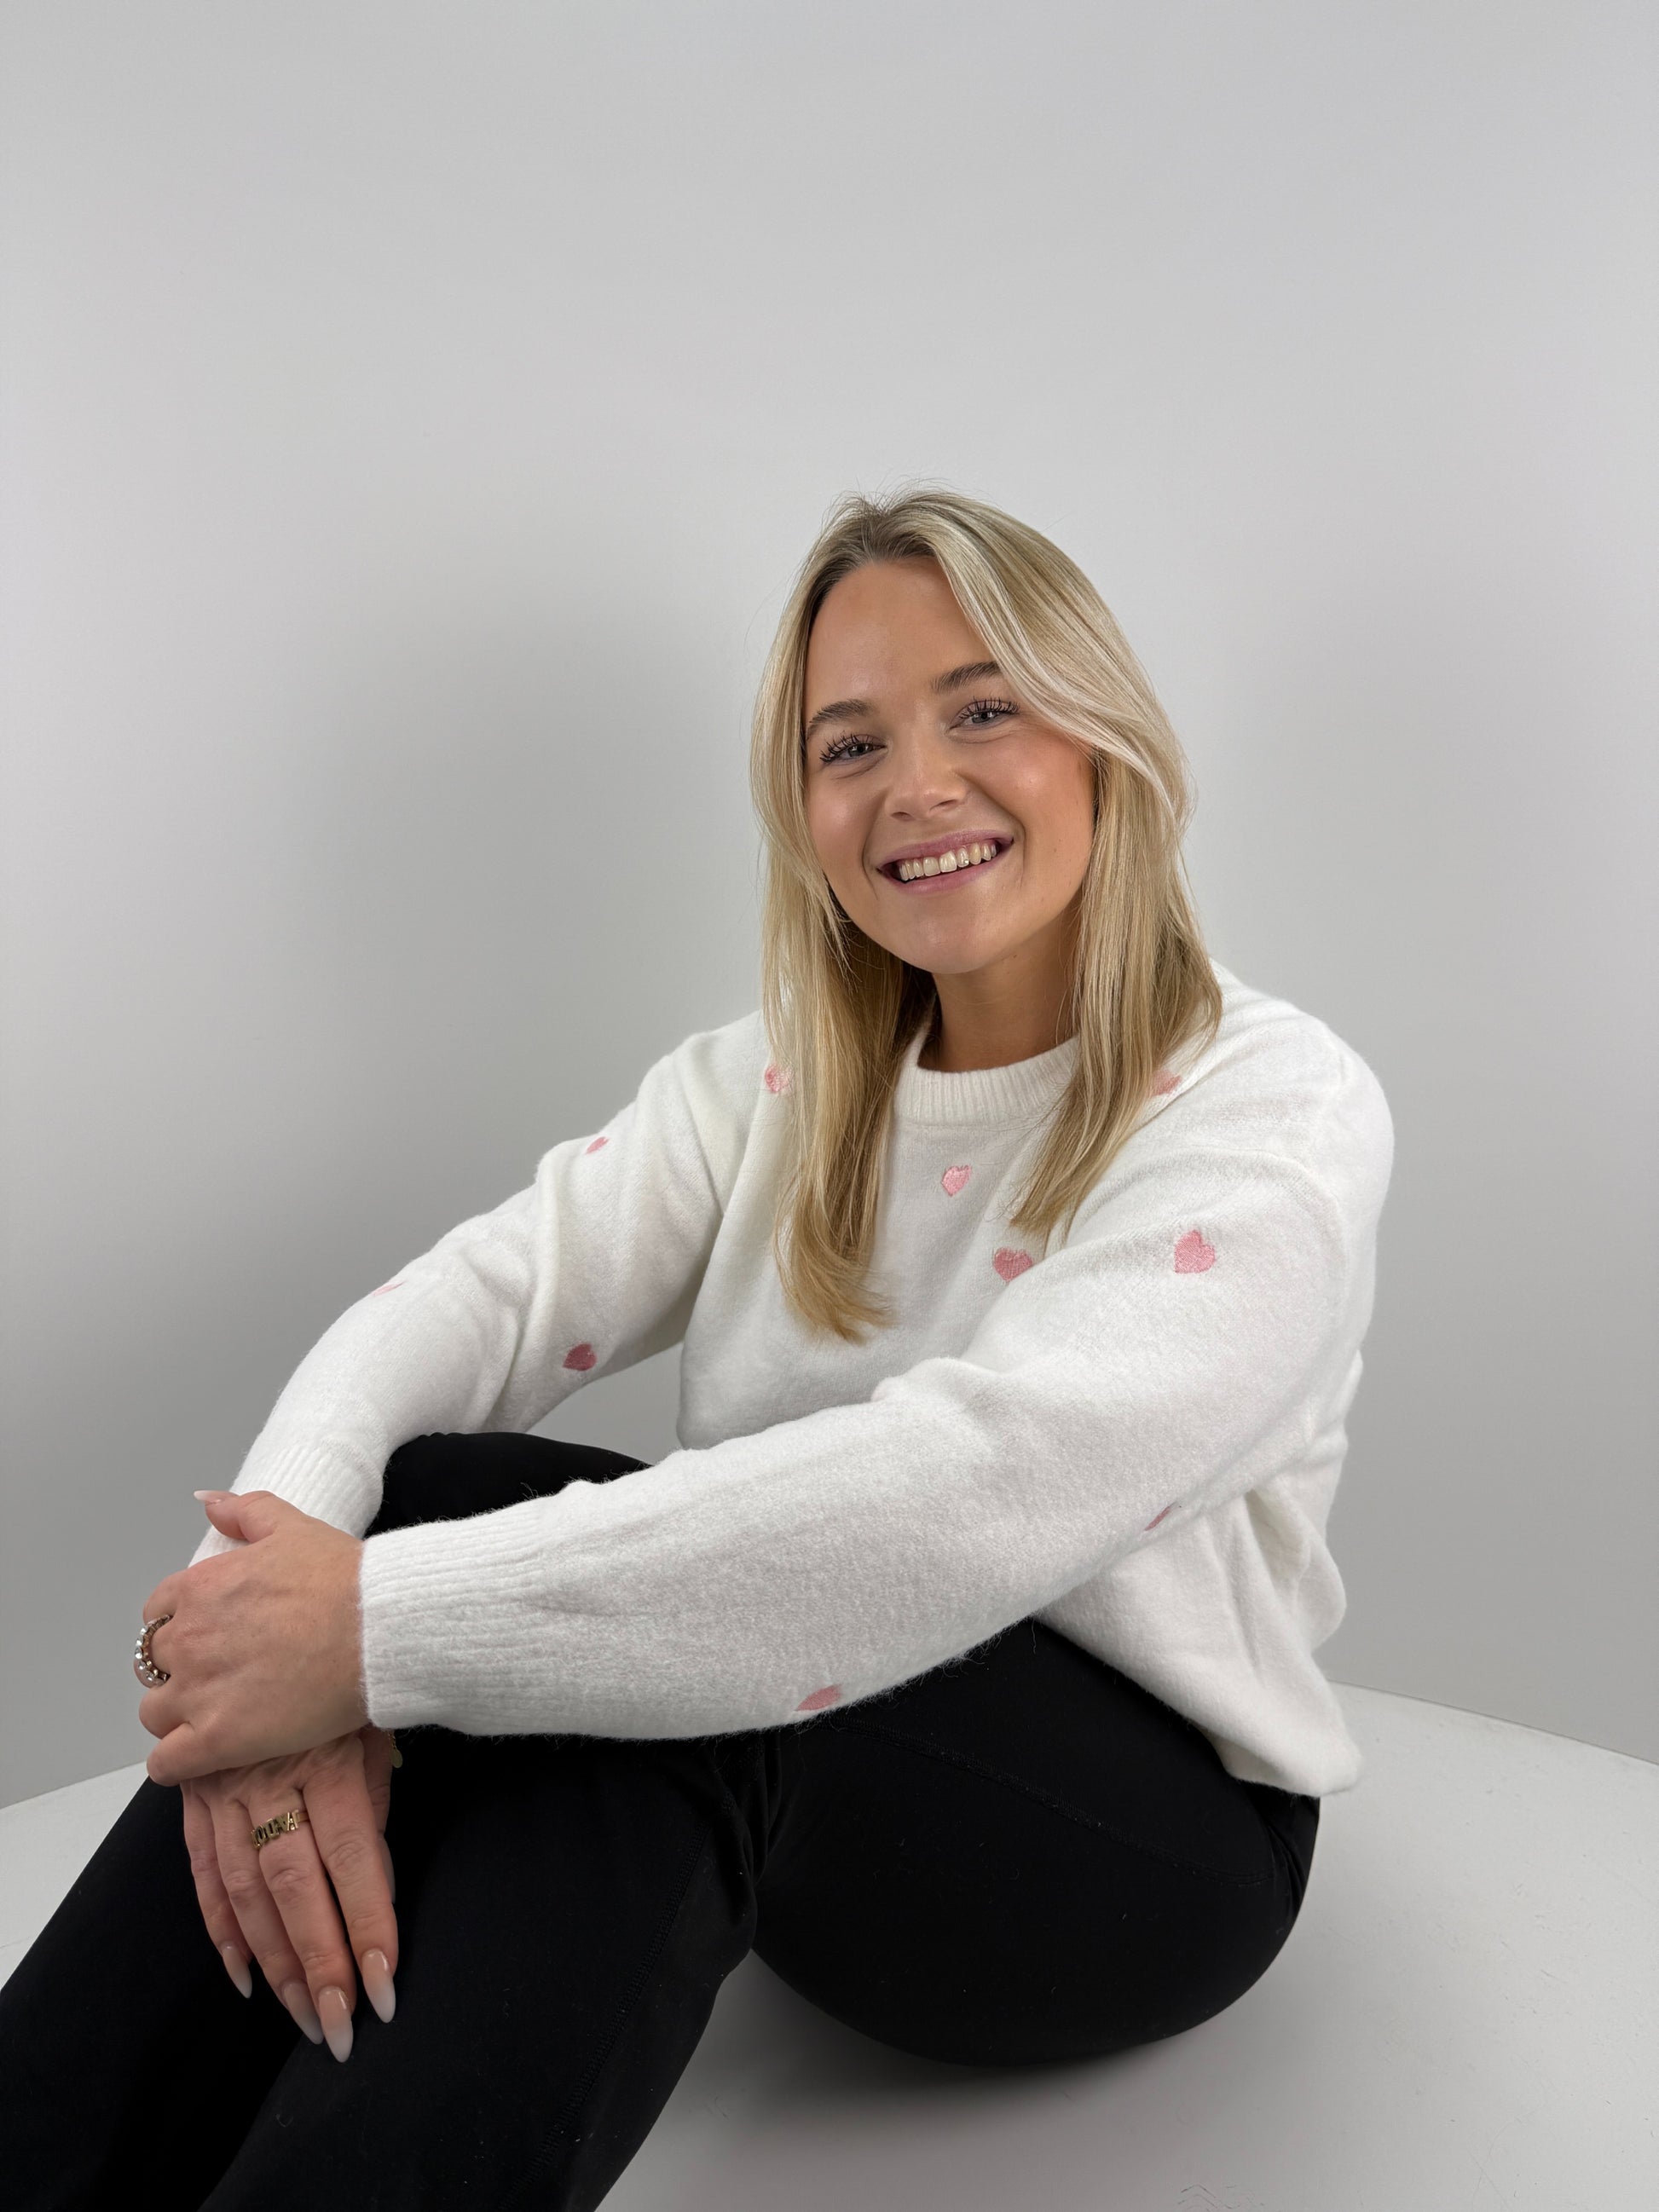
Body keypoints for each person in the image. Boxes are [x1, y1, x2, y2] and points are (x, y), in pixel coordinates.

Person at [0, 486, 1394, 2210]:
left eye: (982, 709)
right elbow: (473, 1304)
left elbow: (969, 1489)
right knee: (436, 1489)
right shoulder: (776, 1080)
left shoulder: (1270, 1105)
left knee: (698, 1657)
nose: (916, 784)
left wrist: (359, 1635)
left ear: (1102, 738)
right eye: (849, 744)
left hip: (1144, 1848)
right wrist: (259, 1650)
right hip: (820, 1786)